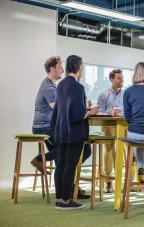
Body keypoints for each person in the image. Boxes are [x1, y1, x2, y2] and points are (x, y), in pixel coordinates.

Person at [30, 56, 91, 200]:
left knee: (61, 160)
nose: (62, 70)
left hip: (51, 125)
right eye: (59, 67)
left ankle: (67, 190)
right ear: (52, 69)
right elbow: (60, 109)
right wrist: (86, 110)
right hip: (45, 126)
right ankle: (40, 159)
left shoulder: (57, 86)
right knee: (72, 153)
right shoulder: (49, 87)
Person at [52, 55, 99, 210]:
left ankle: (59, 197)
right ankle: (66, 201)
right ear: (79, 67)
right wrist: (90, 112)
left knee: (61, 164)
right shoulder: (78, 87)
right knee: (70, 166)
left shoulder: (61, 84)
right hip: (74, 131)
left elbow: (63, 108)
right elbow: (78, 114)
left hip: (60, 130)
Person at [97, 69, 124, 193]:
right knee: (109, 150)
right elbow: (99, 112)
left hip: (123, 126)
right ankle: (109, 181)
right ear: (112, 79)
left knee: (127, 150)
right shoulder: (104, 95)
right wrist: (110, 113)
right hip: (108, 126)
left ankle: (126, 180)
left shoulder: (126, 94)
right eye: (119, 78)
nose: (121, 80)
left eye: (122, 77)